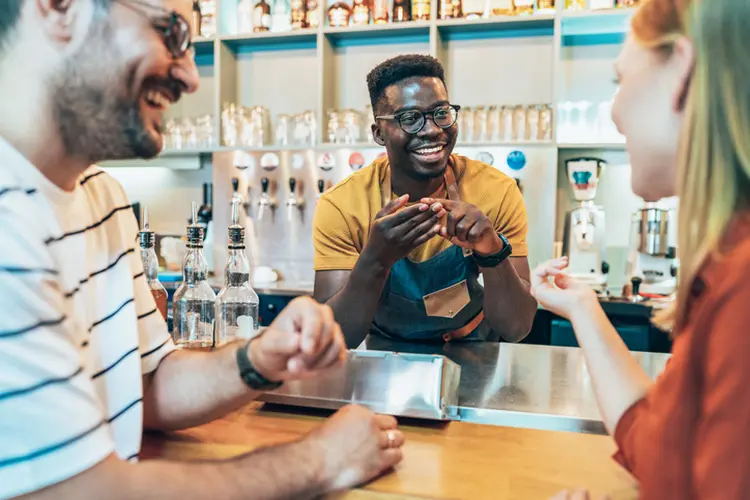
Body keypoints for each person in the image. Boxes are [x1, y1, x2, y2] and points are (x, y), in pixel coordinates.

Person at [0, 1, 405, 499]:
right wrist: (319, 460)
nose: (192, 76)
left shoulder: (97, 195)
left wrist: (259, 358)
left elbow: (150, 386)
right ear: (59, 8)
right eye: (171, 34)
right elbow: (76, 491)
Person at [532, 0, 750, 498]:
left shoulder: (743, 283)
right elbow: (660, 446)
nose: (614, 112)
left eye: (620, 81)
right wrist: (582, 307)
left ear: (681, 68)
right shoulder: (726, 261)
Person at [313, 54, 537, 347]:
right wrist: (376, 260)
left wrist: (491, 249)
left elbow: (517, 327)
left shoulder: (496, 191)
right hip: (386, 356)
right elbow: (333, 339)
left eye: (441, 113)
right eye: (410, 118)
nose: (432, 130)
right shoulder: (342, 205)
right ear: (379, 133)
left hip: (473, 349)